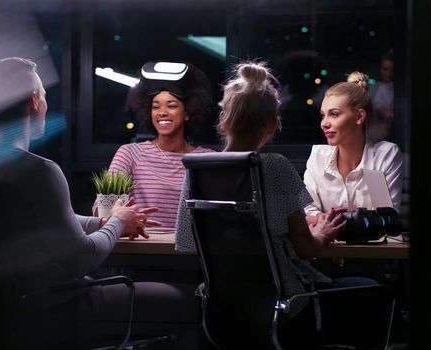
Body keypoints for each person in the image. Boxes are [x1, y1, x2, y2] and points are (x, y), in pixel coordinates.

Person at [0, 57, 197, 346]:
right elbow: (82, 258)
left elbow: (48, 220)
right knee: (193, 299)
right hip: (64, 306)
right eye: (44, 97)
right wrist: (117, 222)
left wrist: (103, 221)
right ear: (32, 101)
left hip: (17, 308)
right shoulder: (39, 171)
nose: (45, 106)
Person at [175, 61, 379, 348]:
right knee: (371, 290)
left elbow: (185, 242)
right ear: (273, 124)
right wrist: (322, 233)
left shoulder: (198, 169)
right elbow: (306, 249)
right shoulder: (274, 167)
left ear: (223, 119)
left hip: (223, 311)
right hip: (287, 307)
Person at [99, 61, 214, 230]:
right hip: (142, 249)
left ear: (188, 112)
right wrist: (114, 213)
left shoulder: (206, 159)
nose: (162, 112)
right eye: (155, 106)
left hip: (191, 252)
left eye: (172, 105)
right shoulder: (130, 154)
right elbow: (102, 210)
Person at [304, 70, 403, 225]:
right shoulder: (317, 156)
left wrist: (327, 220)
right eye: (323, 115)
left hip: (374, 248)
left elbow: (387, 218)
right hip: (329, 247)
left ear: (359, 117)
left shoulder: (386, 154)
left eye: (334, 114)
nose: (324, 123)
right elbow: (306, 212)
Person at [368, 51, 395, 141]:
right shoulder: (373, 88)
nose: (388, 73)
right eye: (385, 69)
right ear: (380, 68)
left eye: (392, 70)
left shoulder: (397, 88)